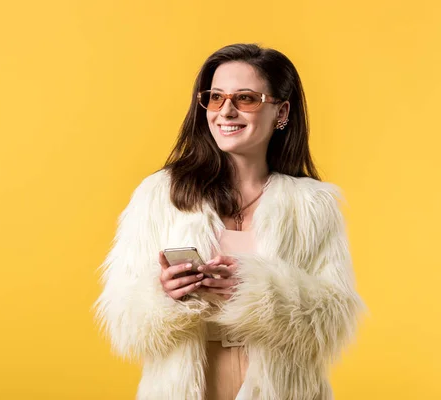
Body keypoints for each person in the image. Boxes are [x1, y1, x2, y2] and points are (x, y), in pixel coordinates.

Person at [94, 43, 363, 400]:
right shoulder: (161, 194)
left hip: (282, 389)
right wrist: (165, 293)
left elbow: (334, 317)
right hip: (190, 386)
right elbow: (122, 315)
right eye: (215, 97)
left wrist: (255, 290)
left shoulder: (312, 205)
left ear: (281, 111)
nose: (226, 111)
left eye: (246, 98)